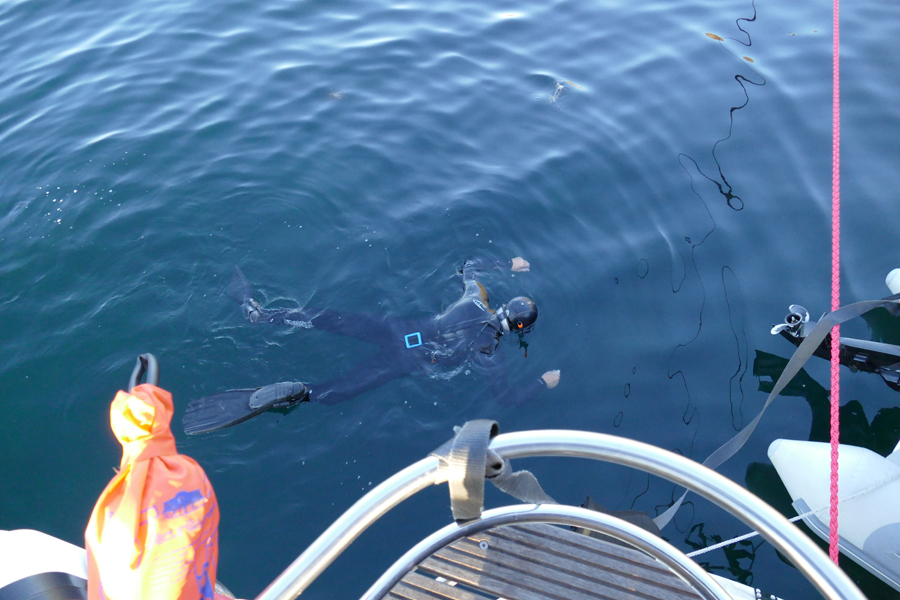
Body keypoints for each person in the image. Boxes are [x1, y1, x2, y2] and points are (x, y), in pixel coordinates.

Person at [183, 257, 561, 434]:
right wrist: (543, 382)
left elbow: (469, 266)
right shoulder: (489, 352)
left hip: (399, 329)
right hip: (408, 361)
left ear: (505, 305)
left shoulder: (475, 298)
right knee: (344, 388)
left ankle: (260, 316)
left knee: (328, 319)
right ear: (519, 328)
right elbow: (507, 399)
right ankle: (302, 393)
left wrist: (507, 264)